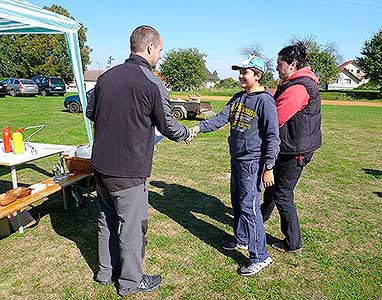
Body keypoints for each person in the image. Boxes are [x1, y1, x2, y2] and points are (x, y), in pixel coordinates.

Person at [86, 25, 191, 297]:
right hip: (128, 170)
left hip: (100, 166)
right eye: (160, 50)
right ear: (149, 48)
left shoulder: (106, 78)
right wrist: (185, 134)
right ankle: (131, 282)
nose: (160, 56)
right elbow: (168, 125)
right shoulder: (152, 83)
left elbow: (90, 110)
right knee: (132, 228)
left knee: (106, 219)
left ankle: (105, 272)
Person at [190, 55, 280, 276]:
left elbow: (272, 137)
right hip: (237, 159)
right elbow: (220, 118)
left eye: (245, 72)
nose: (240, 75)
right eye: (240, 71)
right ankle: (241, 239)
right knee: (238, 203)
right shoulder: (239, 98)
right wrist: (198, 129)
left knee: (249, 207)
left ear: (257, 76)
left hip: (253, 162)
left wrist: (269, 166)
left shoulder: (265, 101)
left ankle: (260, 256)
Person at [260, 42, 322, 254]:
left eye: (280, 64)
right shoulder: (294, 83)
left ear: (292, 64)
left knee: (283, 194)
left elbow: (275, 119)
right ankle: (259, 219)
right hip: (289, 147)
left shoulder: (299, 88)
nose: (277, 68)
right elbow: (275, 93)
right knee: (271, 188)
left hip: (295, 152)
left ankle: (293, 242)